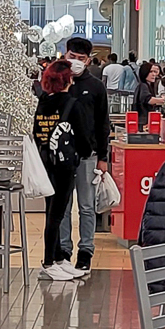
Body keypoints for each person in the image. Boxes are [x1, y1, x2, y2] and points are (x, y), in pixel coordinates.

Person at [34, 59, 90, 282]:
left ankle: (57, 258)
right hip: (65, 165)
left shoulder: (42, 103)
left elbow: (37, 132)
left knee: (52, 211)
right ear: (67, 80)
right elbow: (84, 139)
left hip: (46, 163)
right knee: (57, 215)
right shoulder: (72, 104)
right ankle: (49, 262)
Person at [58, 38, 110, 275]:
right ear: (64, 54)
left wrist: (103, 156)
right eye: (72, 57)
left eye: (80, 59)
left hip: (88, 156)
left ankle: (86, 252)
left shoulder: (96, 86)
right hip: (61, 156)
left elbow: (103, 123)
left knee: (87, 207)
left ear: (89, 60)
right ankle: (63, 251)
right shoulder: (58, 82)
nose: (75, 62)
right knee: (63, 206)